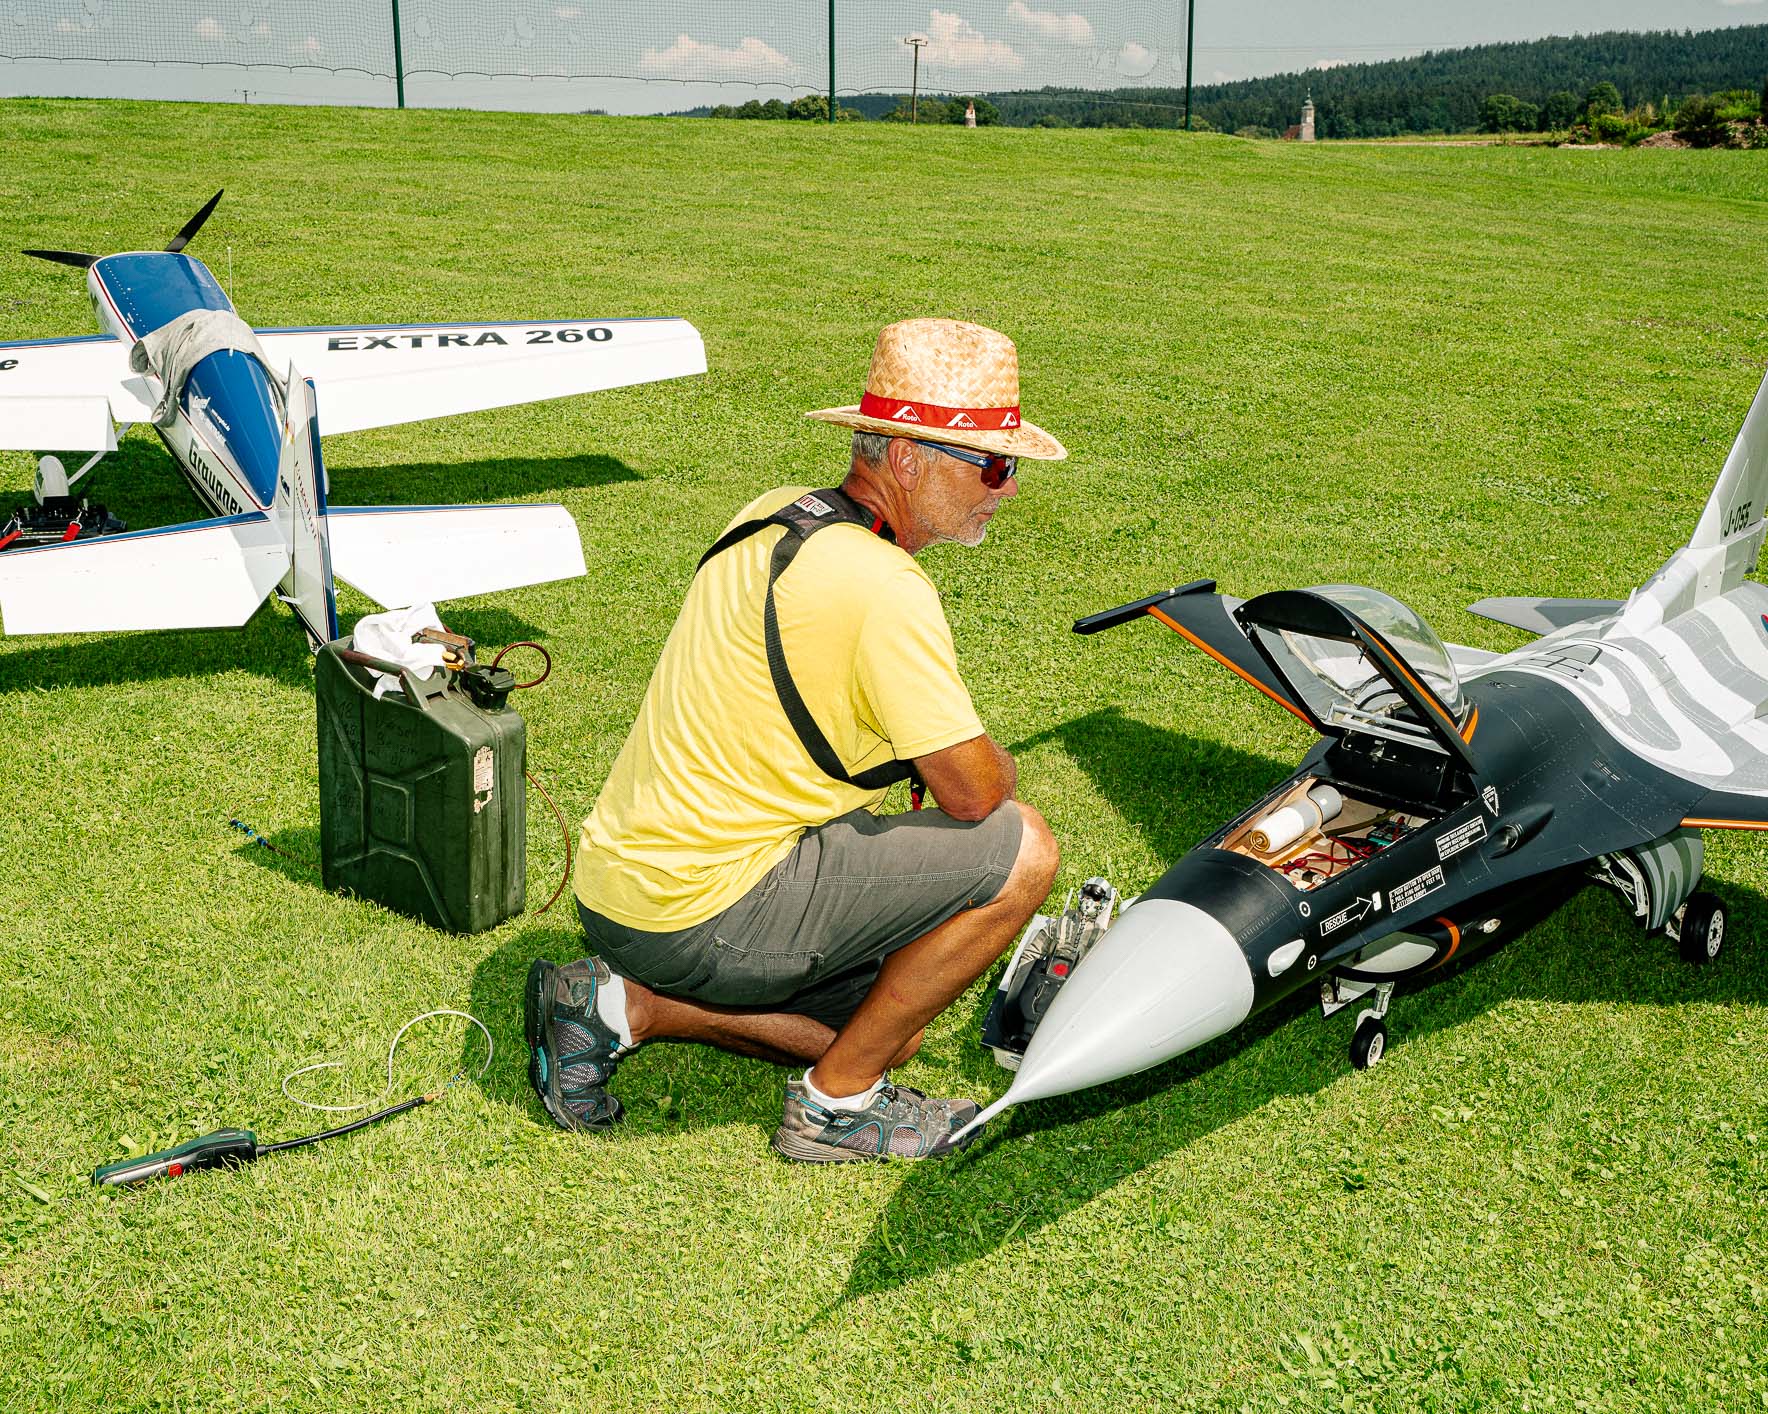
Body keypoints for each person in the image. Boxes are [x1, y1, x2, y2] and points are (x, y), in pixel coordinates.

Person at [525, 318, 1064, 1162]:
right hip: (705, 906)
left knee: (892, 1023)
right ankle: (836, 1111)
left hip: (620, 890)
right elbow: (975, 794)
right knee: (1023, 849)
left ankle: (619, 1006)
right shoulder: (886, 586)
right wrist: (998, 764)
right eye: (995, 465)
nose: (1008, 488)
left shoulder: (776, 512)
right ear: (910, 457)